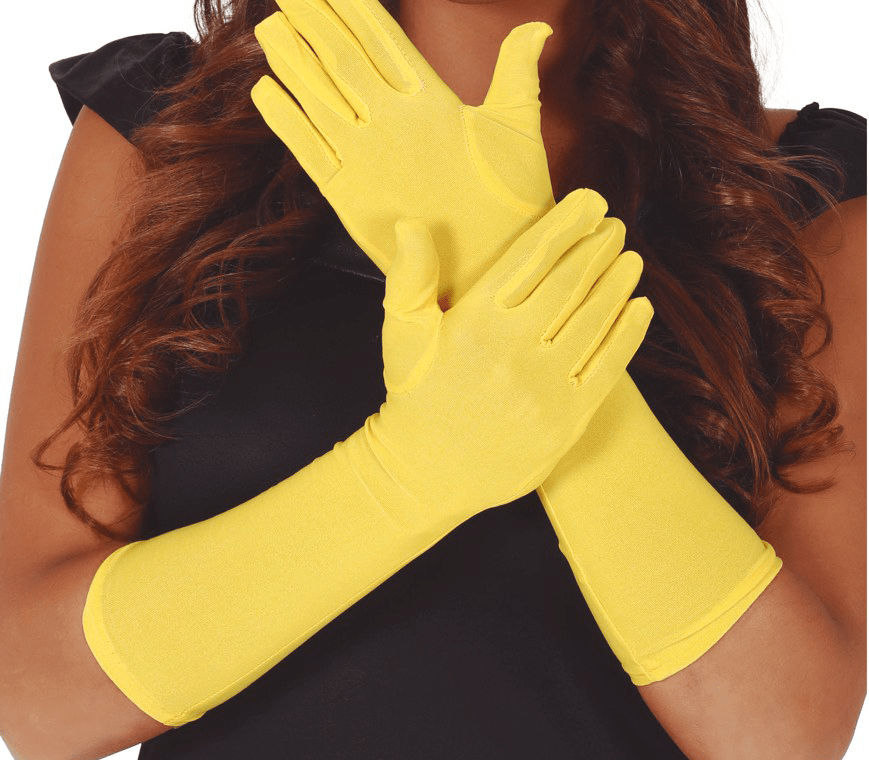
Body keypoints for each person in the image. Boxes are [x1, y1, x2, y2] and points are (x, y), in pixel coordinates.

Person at [0, 0, 865, 758]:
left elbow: (781, 735)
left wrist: (487, 244)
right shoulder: (168, 141)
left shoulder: (792, 196)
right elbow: (37, 702)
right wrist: (411, 472)